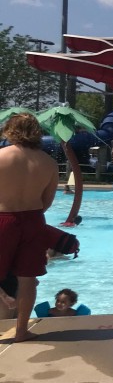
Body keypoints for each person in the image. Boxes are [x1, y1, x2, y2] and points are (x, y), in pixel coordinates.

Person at [0, 113, 60, 341]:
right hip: (34, 220)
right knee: (28, 279)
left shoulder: (1, 156)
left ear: (10, 130)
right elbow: (47, 202)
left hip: (3, 218)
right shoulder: (49, 162)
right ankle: (21, 331)